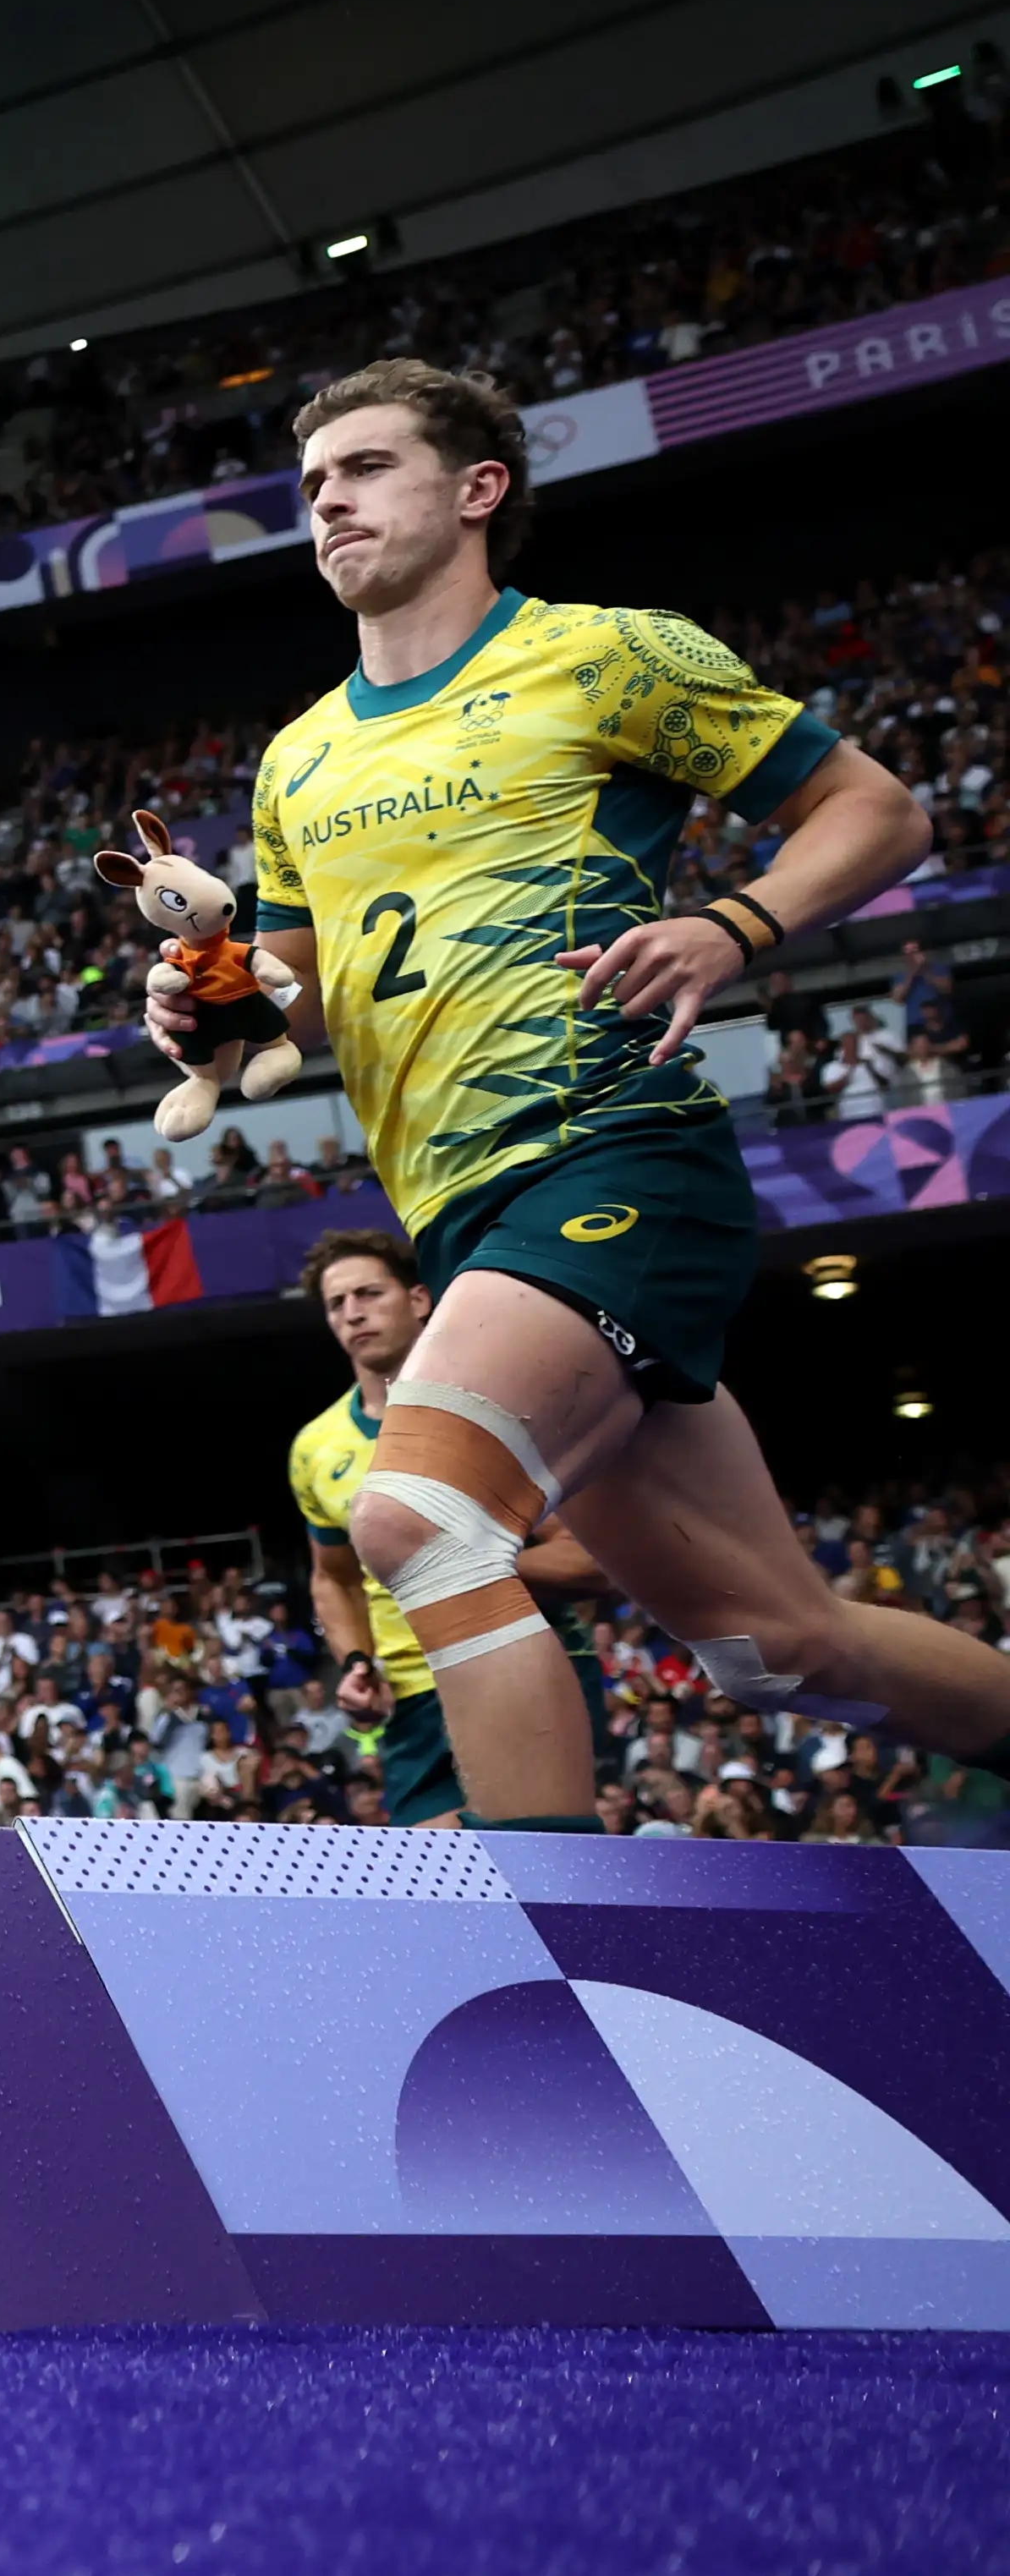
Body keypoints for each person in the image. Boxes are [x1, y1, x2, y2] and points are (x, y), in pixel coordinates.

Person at [192, 358, 1010, 1825]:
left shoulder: (610, 656)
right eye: (314, 484)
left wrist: (732, 923)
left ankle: (561, 1967)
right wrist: (205, 1012)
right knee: (781, 1650)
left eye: (367, 468)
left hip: (610, 1153)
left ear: (478, 489)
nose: (328, 502)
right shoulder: (299, 759)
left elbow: (878, 809)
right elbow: (291, 997)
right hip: (460, 1215)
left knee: (420, 1521)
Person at [284, 1225, 608, 1824]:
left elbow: (591, 1561)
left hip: (520, 1661)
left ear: (418, 1300)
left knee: (543, 1864)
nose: (353, 1313)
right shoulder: (315, 1448)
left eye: (369, 1294)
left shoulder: (503, 1407)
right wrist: (358, 1663)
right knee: (450, 1891)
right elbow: (334, 1579)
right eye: (337, 1304)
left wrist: (463, 1564)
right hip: (412, 1701)